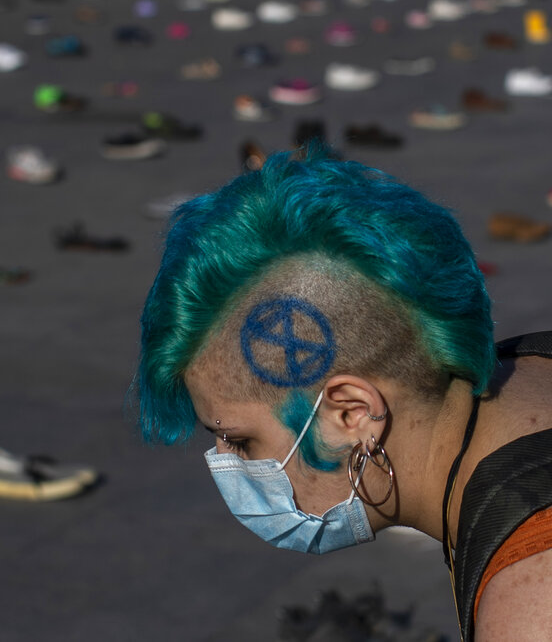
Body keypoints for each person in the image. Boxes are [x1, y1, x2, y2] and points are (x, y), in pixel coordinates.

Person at [133, 146, 552, 641]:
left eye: (240, 441)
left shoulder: (529, 605)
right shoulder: (531, 366)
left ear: (352, 414)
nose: (226, 464)